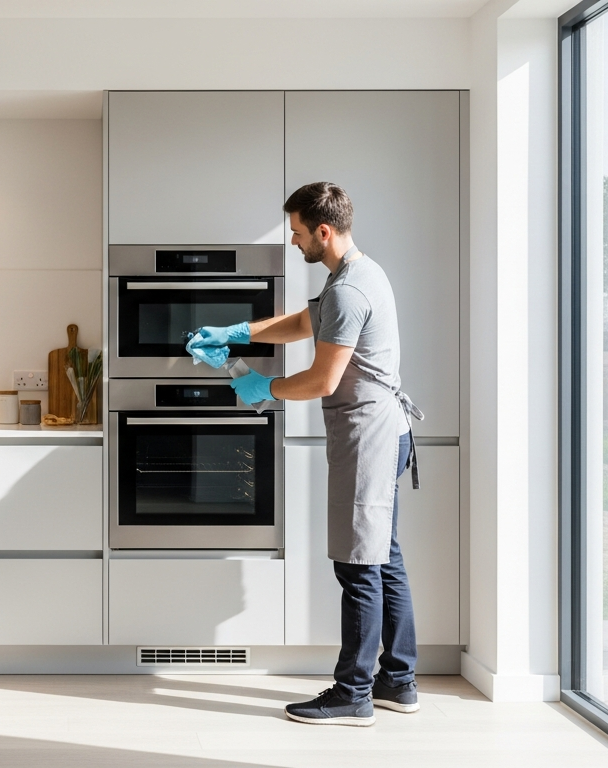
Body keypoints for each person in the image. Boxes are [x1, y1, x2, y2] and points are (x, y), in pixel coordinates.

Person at [186, 182, 424, 727]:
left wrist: (263, 389)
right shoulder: (358, 273)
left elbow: (322, 379)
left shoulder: (349, 290)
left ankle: (353, 693)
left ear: (323, 230)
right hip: (381, 429)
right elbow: (305, 322)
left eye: (296, 234)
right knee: (383, 558)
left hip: (370, 437)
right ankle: (398, 681)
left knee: (358, 563)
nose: (293, 244)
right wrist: (239, 331)